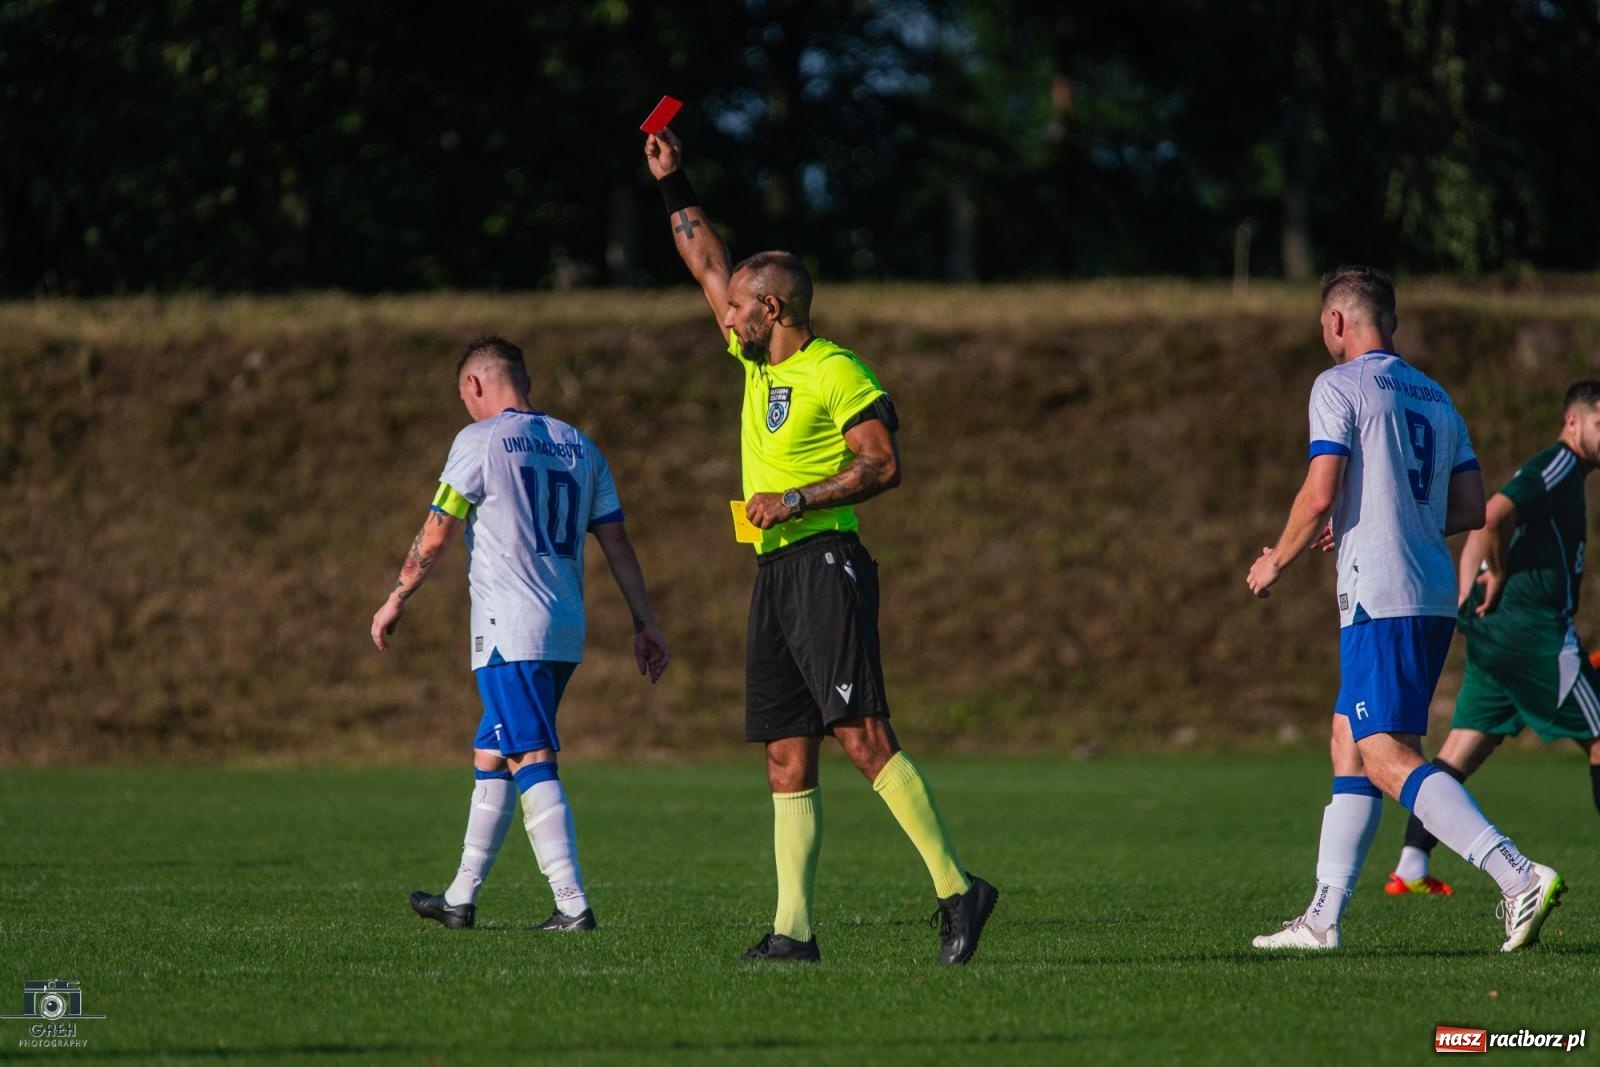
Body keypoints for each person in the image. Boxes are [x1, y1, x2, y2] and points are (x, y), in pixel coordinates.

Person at [643, 126, 996, 964]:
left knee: (862, 734)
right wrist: (671, 180)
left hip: (824, 560)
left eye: (737, 308)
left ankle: (958, 888)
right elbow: (703, 261)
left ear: (773, 309)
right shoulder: (755, 362)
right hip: (774, 571)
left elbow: (882, 464)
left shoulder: (836, 370)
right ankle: (793, 932)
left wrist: (796, 495)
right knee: (783, 750)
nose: (722, 315)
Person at [1245, 265, 1565, 951]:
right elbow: (1470, 507)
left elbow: (1320, 489)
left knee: (1384, 753)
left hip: (1379, 593)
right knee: (1349, 740)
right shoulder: (1435, 396)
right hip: (1427, 591)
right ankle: (1322, 918)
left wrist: (1276, 558)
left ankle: (1516, 873)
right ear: (1389, 321)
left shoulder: (1337, 386)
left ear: (1337, 321)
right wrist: (1383, 510)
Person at [370, 335, 671, 932]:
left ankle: (571, 904)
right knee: (494, 750)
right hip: (563, 625)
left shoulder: (477, 441)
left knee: (530, 754)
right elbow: (617, 543)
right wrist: (645, 621)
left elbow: (436, 533)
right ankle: (460, 897)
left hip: (509, 628)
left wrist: (396, 597)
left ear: (474, 385)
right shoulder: (580, 445)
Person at [1384, 381, 1600, 896]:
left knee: (1463, 747)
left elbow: (1484, 527)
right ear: (1573, 421)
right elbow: (1491, 515)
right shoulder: (1559, 464)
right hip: (1531, 632)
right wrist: (1494, 572)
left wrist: (1467, 597)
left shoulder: (1569, 474)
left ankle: (1411, 865)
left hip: (1496, 633)